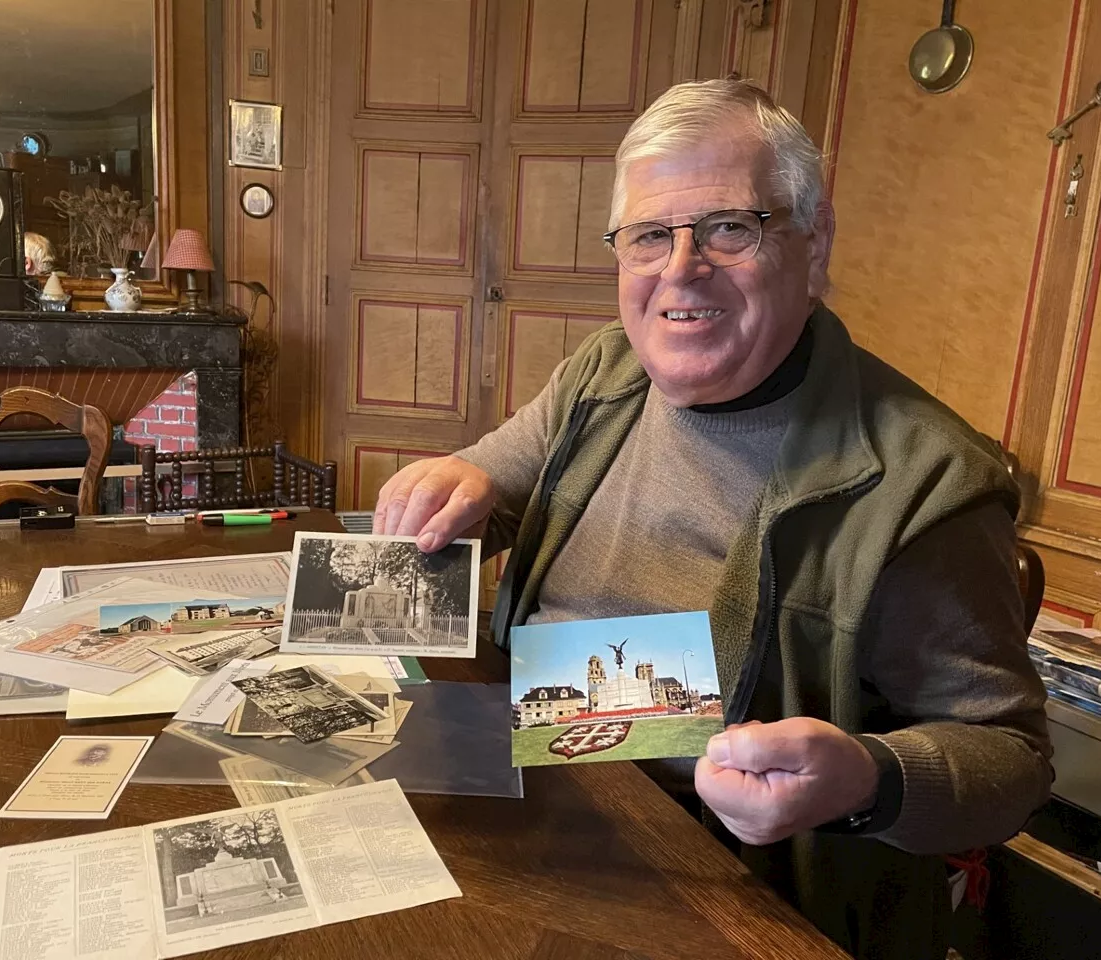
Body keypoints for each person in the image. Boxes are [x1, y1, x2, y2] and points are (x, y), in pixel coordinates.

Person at [373, 79, 1052, 960]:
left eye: (731, 228)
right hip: (516, 771)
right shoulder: (605, 367)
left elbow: (1012, 762)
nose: (680, 268)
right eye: (650, 236)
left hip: (715, 877)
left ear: (813, 247)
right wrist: (461, 479)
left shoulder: (928, 483)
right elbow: (502, 472)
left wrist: (869, 778)